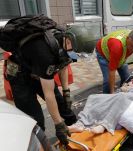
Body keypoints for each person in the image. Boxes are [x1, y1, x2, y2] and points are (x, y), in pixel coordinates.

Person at [1, 17, 78, 146]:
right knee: (35, 120)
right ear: (68, 39)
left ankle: (76, 131)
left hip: (36, 68)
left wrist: (66, 92)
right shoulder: (45, 54)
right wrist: (58, 124)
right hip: (20, 77)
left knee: (62, 105)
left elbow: (64, 65)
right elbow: (49, 94)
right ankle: (39, 146)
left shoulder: (64, 39)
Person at [68, 66, 133, 134]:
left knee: (121, 97)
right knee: (93, 97)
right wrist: (124, 87)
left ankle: (104, 125)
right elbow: (122, 86)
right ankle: (80, 124)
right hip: (122, 93)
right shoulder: (131, 77)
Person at [96, 29, 133, 94]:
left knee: (127, 77)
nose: (132, 50)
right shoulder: (117, 47)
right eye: (131, 46)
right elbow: (112, 71)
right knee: (108, 81)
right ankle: (106, 99)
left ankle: (122, 93)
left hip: (119, 55)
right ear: (127, 39)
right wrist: (112, 93)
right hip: (103, 54)